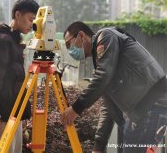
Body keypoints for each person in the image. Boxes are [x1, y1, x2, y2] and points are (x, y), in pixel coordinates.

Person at [62, 21, 167, 153]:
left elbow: (103, 76)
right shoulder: (103, 62)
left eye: (68, 44)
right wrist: (98, 148)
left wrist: (76, 108)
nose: (69, 50)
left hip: (152, 103)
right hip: (141, 110)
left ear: (81, 36)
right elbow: (108, 106)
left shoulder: (106, 36)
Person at [0, 0, 39, 153]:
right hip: (2, 116)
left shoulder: (13, 40)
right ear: (18, 15)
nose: (32, 25)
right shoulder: (2, 41)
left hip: (12, 113)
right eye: (30, 19)